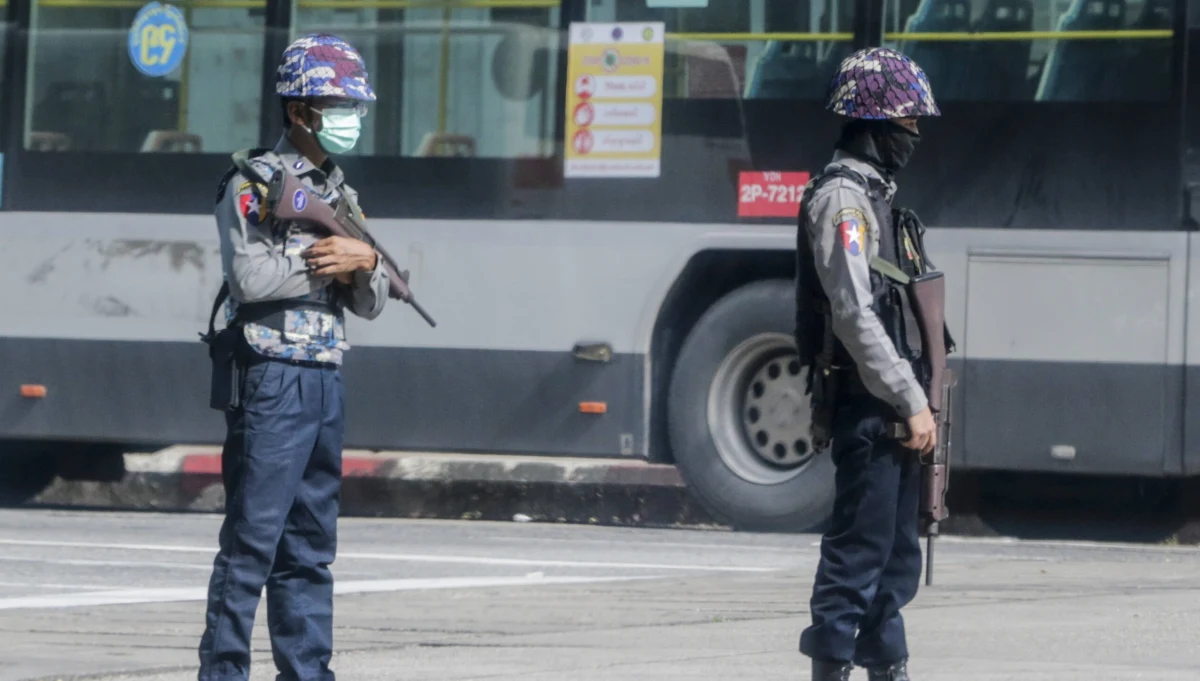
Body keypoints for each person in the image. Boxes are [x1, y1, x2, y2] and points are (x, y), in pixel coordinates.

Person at [197, 33, 389, 681]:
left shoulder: (340, 194)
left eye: (355, 107)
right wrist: (326, 265)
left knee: (311, 547)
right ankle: (223, 672)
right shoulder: (254, 181)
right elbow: (250, 278)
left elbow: (373, 298)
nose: (350, 119)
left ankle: (307, 672)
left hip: (323, 377)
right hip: (271, 377)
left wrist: (362, 262)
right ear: (299, 110)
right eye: (338, 104)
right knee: (251, 544)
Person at [793, 47, 947, 681]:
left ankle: (888, 667)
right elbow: (856, 314)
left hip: (894, 406)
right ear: (871, 123)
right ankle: (830, 671)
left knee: (894, 559)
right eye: (906, 122)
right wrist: (909, 400)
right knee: (857, 557)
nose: (914, 134)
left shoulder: (878, 198)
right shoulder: (843, 202)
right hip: (871, 406)